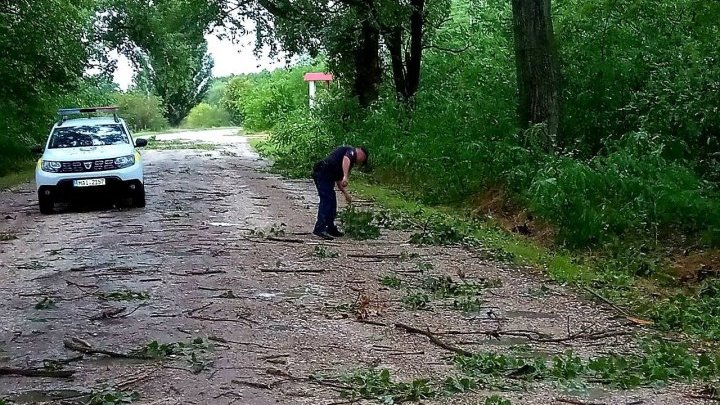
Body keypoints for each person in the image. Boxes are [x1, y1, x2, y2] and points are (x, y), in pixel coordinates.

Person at [312, 146, 368, 240]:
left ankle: (330, 228)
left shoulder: (348, 162)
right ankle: (320, 228)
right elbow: (346, 159)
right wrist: (346, 177)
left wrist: (346, 194)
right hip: (323, 172)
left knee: (332, 201)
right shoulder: (351, 151)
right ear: (361, 153)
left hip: (328, 176)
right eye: (363, 159)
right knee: (327, 200)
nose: (360, 162)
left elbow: (339, 180)